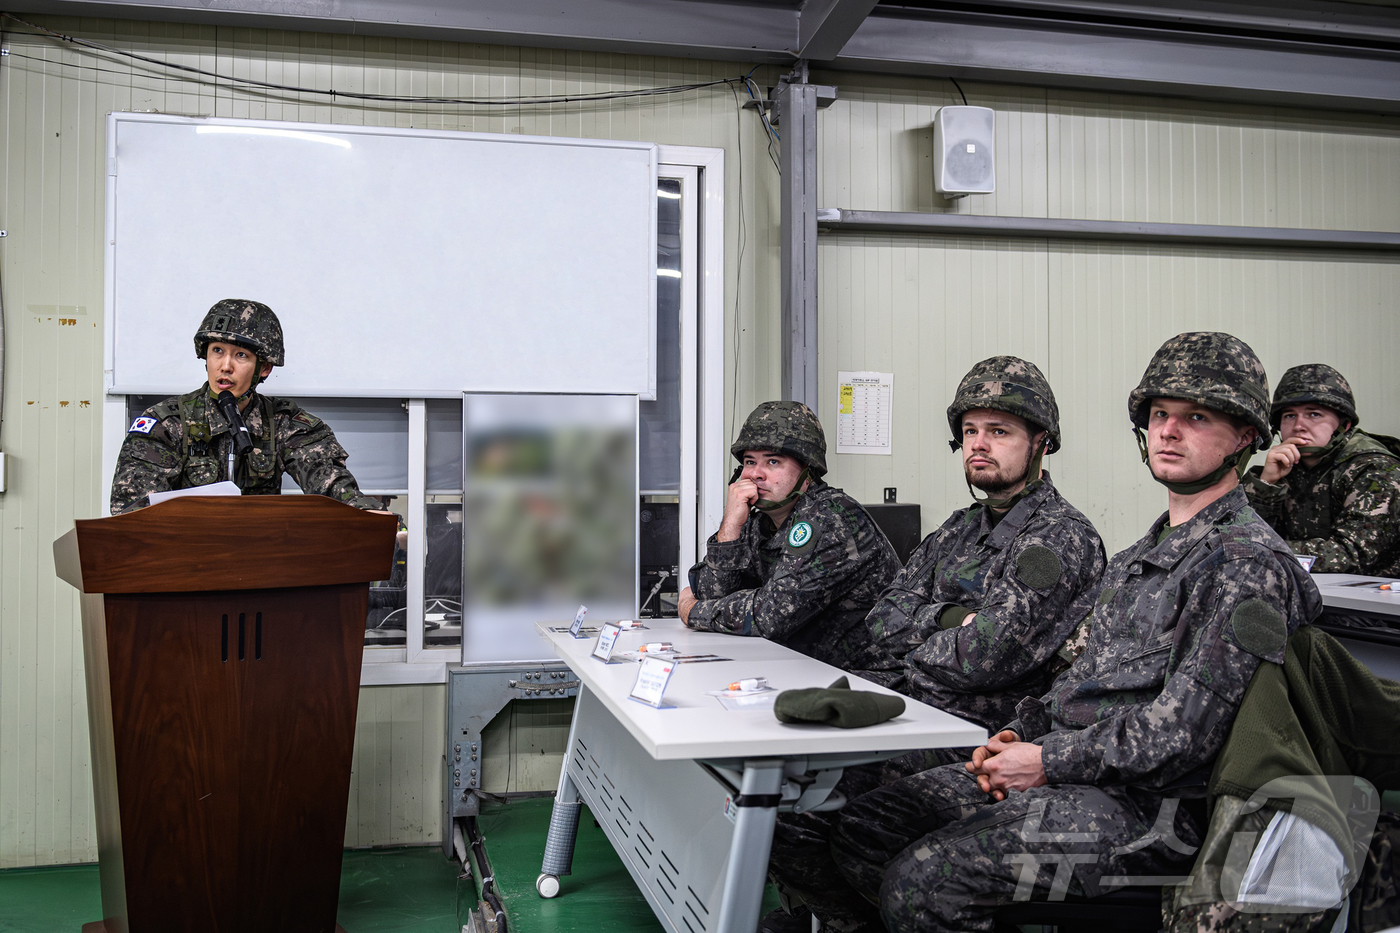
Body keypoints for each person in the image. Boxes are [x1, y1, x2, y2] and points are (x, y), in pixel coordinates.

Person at [823, 332, 1320, 933]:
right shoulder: (1144, 554)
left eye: (1197, 417)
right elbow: (1081, 680)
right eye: (1161, 414)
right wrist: (1017, 733)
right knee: (867, 827)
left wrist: (1046, 760)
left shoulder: (1247, 565)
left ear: (1245, 437)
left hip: (1155, 809)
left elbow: (1185, 735)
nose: (1168, 430)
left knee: (924, 883)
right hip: (1078, 772)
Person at [761, 358, 1106, 933]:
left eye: (999, 432)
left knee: (844, 818)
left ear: (1040, 441)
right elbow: (882, 620)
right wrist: (953, 618)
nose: (980, 445)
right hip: (914, 714)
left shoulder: (1059, 538)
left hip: (978, 734)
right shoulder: (959, 528)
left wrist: (930, 632)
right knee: (786, 809)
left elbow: (985, 658)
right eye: (971, 431)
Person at [677, 400, 900, 670]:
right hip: (800, 670)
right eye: (750, 462)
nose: (756, 474)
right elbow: (712, 593)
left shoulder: (831, 518)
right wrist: (730, 527)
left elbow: (770, 616)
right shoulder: (757, 522)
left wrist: (692, 611)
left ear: (808, 472)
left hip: (867, 680)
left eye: (773, 462)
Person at [111, 299, 383, 515]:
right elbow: (132, 511)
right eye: (217, 350)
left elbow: (330, 482)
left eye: (241, 355)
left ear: (264, 368)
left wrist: (367, 512)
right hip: (184, 564)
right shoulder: (167, 424)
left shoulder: (283, 423)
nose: (225, 365)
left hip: (258, 565)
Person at [1243, 363, 1400, 577]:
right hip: (1299, 588)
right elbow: (1240, 535)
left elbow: (1352, 555)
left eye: (1314, 414)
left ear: (1343, 425)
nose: (1299, 425)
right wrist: (1267, 484)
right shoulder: (1284, 466)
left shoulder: (1375, 469)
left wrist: (1262, 551)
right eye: (1289, 416)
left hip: (1369, 602)